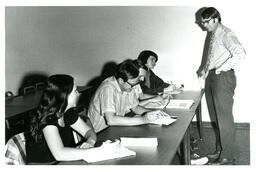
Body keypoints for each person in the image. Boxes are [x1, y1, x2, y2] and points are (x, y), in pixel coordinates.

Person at [25, 74, 119, 164]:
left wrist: (90, 141)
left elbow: (89, 132)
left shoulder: (68, 113)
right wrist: (95, 151)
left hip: (64, 162)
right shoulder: (48, 121)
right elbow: (59, 154)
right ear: (64, 95)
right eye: (75, 91)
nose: (78, 94)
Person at [196, 7, 246, 165]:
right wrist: (205, 70)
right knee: (216, 117)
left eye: (206, 22)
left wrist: (220, 68)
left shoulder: (226, 33)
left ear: (215, 19)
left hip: (222, 78)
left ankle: (227, 156)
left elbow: (240, 53)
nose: (204, 25)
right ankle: (220, 150)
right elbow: (213, 56)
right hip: (212, 77)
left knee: (224, 118)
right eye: (202, 22)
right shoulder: (213, 35)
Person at [87, 59, 167, 133]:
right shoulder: (107, 88)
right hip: (100, 135)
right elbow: (111, 120)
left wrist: (154, 113)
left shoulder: (129, 84)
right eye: (133, 84)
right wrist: (144, 119)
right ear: (121, 81)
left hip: (115, 129)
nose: (134, 87)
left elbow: (136, 108)